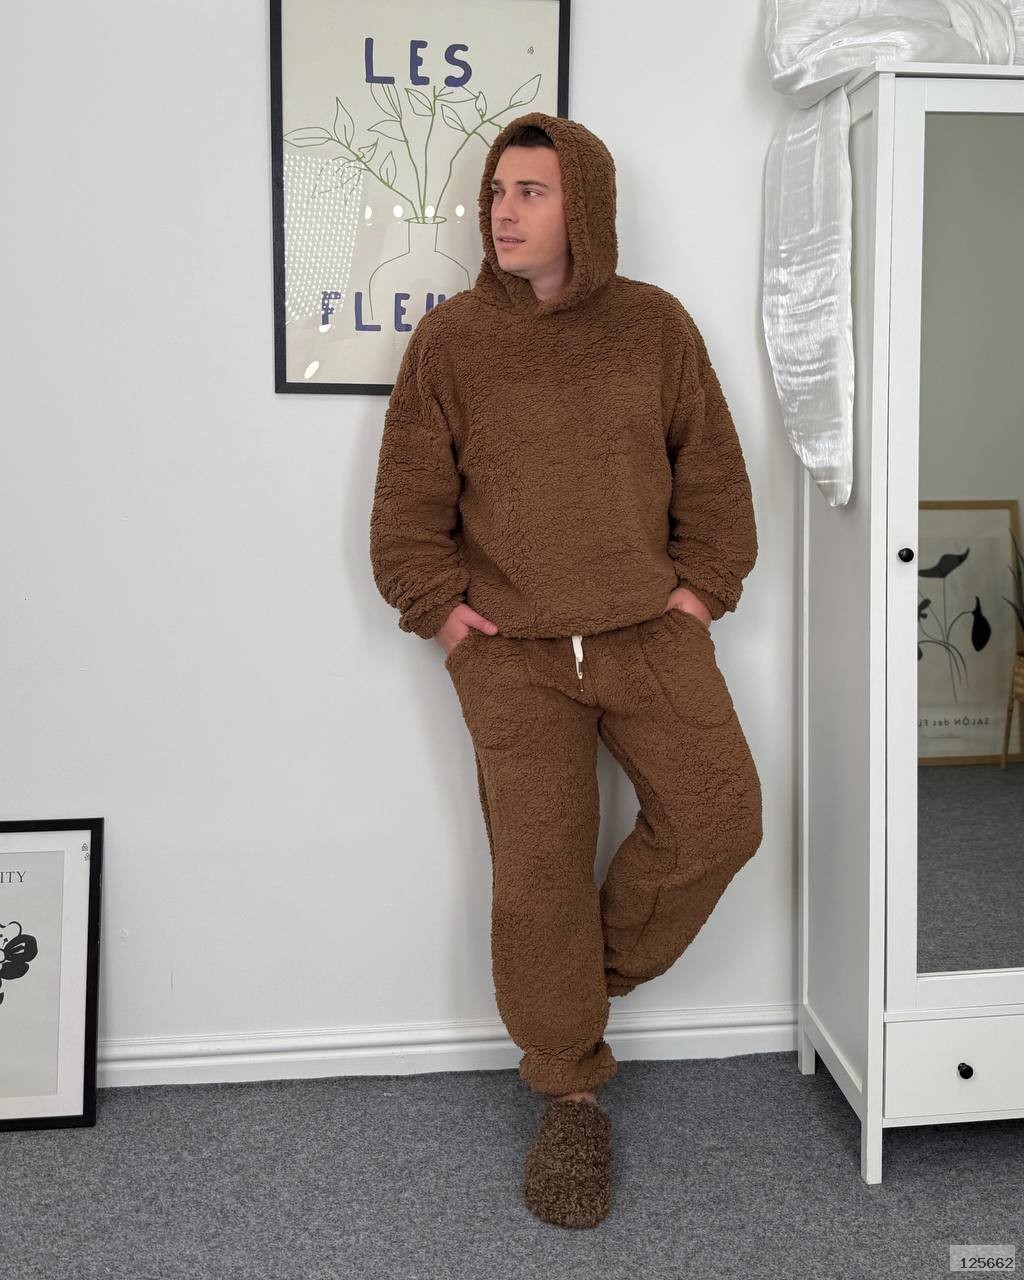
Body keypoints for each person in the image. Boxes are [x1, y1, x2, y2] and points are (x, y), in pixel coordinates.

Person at [369, 111, 763, 1229]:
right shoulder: (451, 341)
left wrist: (699, 592)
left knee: (721, 818)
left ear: (583, 204)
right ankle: (569, 1092)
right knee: (536, 876)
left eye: (530, 191)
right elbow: (405, 511)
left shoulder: (655, 327)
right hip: (514, 659)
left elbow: (715, 479)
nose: (503, 210)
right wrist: (445, 620)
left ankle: (576, 982)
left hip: (650, 636)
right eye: (497, 190)